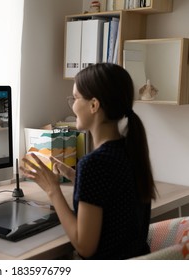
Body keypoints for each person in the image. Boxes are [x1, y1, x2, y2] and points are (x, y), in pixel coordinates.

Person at [21, 63, 156, 260]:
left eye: (75, 98)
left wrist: (53, 190)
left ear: (94, 105)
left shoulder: (94, 163)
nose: (73, 105)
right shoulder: (130, 150)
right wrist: (75, 176)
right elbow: (113, 194)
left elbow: (85, 247)